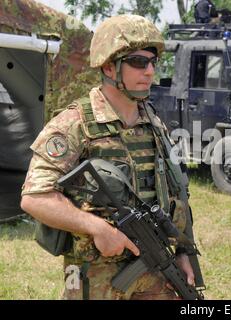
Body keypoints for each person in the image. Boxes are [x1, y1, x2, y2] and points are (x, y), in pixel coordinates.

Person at [20, 15, 201, 300]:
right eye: (139, 63)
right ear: (108, 66)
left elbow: (178, 194)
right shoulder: (74, 124)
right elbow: (35, 197)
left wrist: (183, 250)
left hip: (156, 267)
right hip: (95, 274)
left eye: (153, 62)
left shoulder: (154, 125)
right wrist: (96, 227)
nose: (150, 71)